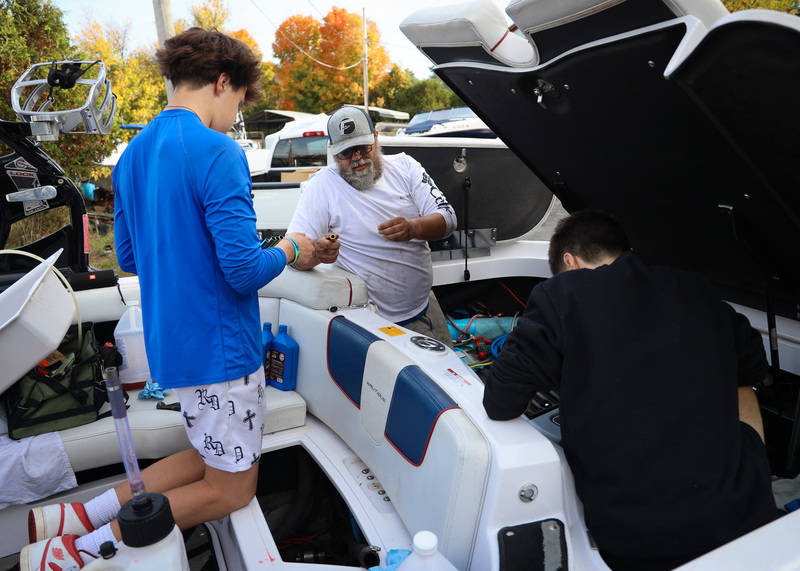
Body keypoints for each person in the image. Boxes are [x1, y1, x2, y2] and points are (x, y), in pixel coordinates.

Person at [19, 27, 314, 570]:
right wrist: (294, 248)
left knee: (208, 458)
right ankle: (75, 552)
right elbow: (245, 269)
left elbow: (128, 256)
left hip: (173, 352)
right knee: (231, 490)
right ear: (223, 81)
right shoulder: (218, 150)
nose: (236, 117)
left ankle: (81, 515)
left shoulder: (132, 156)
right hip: (223, 355)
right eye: (240, 102)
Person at [482, 209, 777, 571]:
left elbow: (500, 402)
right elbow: (749, 369)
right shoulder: (697, 288)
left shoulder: (562, 294)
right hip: (747, 516)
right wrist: (755, 461)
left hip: (642, 545)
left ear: (569, 262)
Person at [286, 105, 457, 347]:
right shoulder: (321, 186)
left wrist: (414, 228)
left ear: (376, 139)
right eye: (346, 152)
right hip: (369, 324)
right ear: (334, 153)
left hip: (424, 309)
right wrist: (317, 252)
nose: (357, 158)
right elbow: (293, 249)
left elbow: (448, 218)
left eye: (363, 147)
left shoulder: (405, 166)